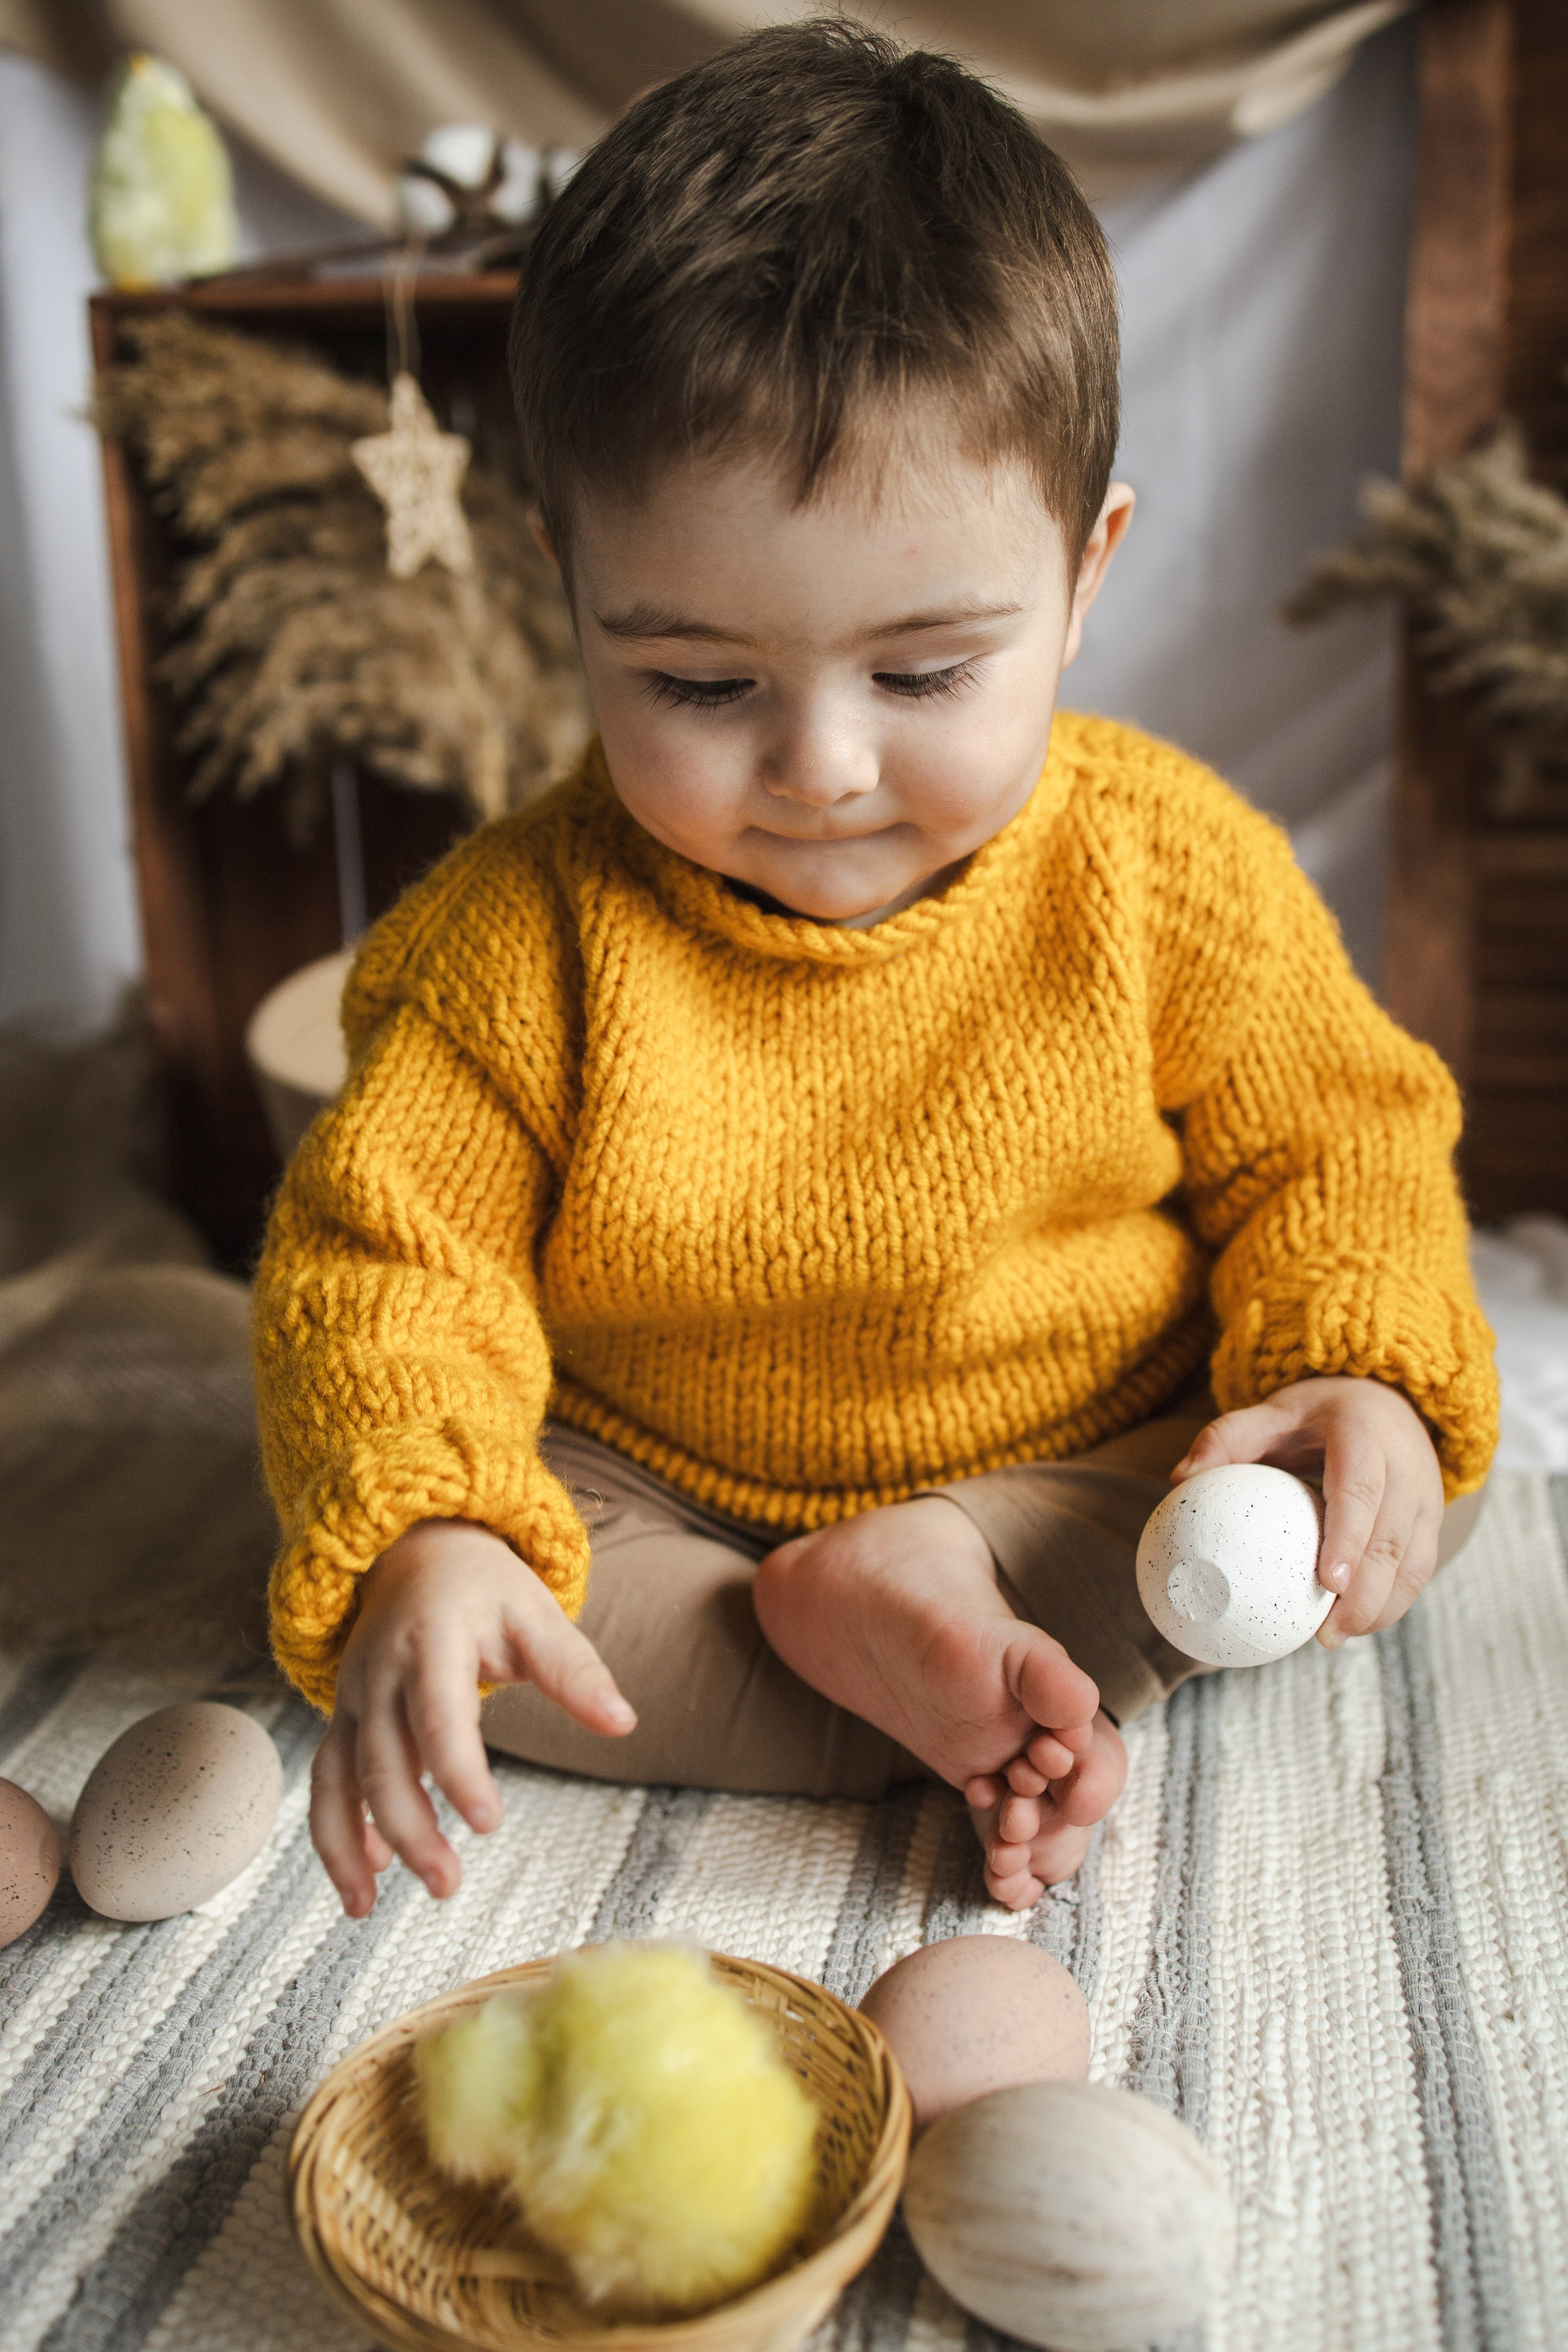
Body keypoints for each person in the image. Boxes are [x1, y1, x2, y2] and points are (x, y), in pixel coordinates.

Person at [254, 20, 1496, 1920]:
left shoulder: (1164, 862)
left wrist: (1357, 1376)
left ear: (1086, 576)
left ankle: (936, 1585)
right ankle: (875, 1634)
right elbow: (385, 1261)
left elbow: (1340, 1140)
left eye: (922, 674)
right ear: (566, 587)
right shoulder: (520, 938)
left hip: (1082, 1456)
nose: (822, 765)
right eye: (697, 682)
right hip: (662, 1489)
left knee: (1378, 1491)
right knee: (475, 1624)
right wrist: (429, 1521)